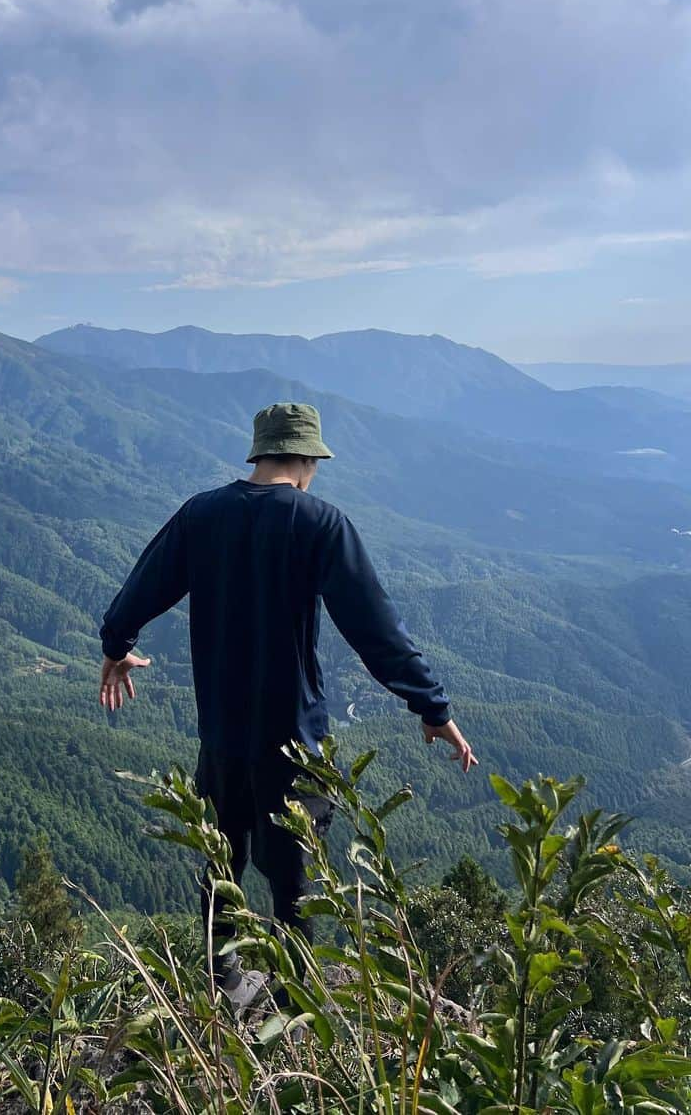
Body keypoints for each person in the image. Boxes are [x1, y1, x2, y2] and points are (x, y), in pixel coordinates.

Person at [99, 401, 477, 996]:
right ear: (307, 460)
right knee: (296, 876)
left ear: (259, 452)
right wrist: (430, 706)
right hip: (294, 741)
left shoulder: (202, 515)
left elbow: (144, 585)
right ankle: (290, 999)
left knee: (220, 861)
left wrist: (117, 644)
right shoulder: (320, 524)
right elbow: (374, 626)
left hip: (221, 734)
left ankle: (221, 983)